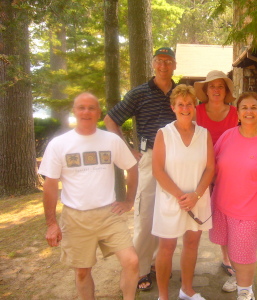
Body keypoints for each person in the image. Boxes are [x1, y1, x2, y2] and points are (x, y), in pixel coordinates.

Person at [39, 92, 139, 300]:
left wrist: (129, 201)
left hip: (108, 214)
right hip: (76, 218)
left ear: (99, 113)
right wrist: (51, 223)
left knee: (131, 261)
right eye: (81, 107)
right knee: (82, 271)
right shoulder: (59, 144)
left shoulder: (111, 140)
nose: (86, 112)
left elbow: (132, 167)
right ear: (74, 111)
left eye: (91, 108)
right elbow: (49, 185)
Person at [104, 47, 177, 291]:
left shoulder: (181, 93)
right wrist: (126, 150)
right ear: (153, 64)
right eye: (159, 61)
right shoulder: (139, 93)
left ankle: (158, 262)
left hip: (175, 160)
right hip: (147, 158)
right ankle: (140, 269)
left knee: (167, 213)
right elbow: (110, 120)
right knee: (145, 215)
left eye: (168, 61)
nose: (163, 66)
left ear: (175, 65)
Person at [209, 92, 257, 300]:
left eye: (254, 107)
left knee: (244, 254)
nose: (249, 111)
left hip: (249, 211)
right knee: (231, 250)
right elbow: (212, 166)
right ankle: (238, 278)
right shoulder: (227, 136)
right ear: (238, 112)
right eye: (244, 107)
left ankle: (246, 291)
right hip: (222, 205)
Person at [152, 84, 215, 300]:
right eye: (181, 104)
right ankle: (163, 296)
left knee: (191, 243)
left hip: (197, 199)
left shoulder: (204, 134)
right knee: (166, 246)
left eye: (189, 104)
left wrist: (195, 195)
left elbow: (210, 168)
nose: (185, 108)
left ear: (195, 106)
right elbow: (157, 170)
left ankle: (186, 290)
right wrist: (181, 196)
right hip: (171, 200)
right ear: (173, 107)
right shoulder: (164, 134)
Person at [193, 70, 238, 279]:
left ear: (226, 90)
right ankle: (189, 260)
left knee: (226, 214)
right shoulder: (195, 111)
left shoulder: (236, 112)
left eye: (220, 86)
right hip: (201, 170)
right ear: (206, 90)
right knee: (195, 217)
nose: (216, 90)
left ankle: (227, 259)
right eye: (212, 86)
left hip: (229, 171)